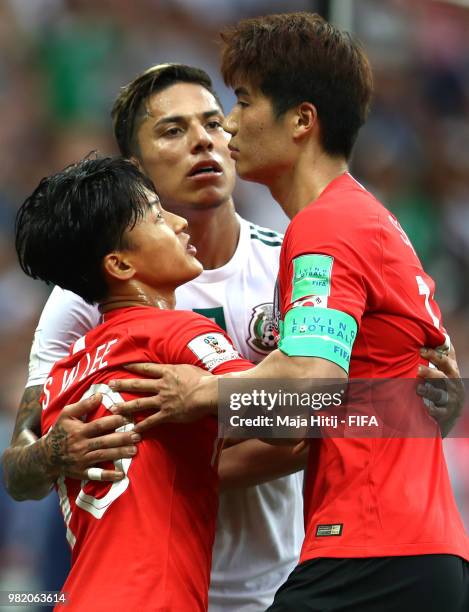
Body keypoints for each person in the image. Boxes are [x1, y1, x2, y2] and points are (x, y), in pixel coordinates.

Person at [108, 14, 469, 611]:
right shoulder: (370, 221)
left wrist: (198, 393)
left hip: (370, 552)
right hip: (411, 550)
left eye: (244, 101)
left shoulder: (325, 228)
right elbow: (312, 411)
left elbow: (308, 391)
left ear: (302, 120)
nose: (228, 123)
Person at [3, 64, 306, 611]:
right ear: (136, 170)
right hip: (163, 591)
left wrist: (184, 437)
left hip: (273, 586)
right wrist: (52, 452)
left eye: (214, 123)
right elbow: (19, 466)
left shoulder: (295, 263)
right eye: (173, 130)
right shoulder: (83, 299)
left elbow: (325, 412)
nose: (203, 141)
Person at [15, 155, 257, 611]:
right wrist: (404, 399)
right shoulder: (178, 333)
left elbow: (20, 472)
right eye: (156, 215)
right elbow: (296, 412)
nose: (181, 222)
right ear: (120, 265)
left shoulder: (64, 376)